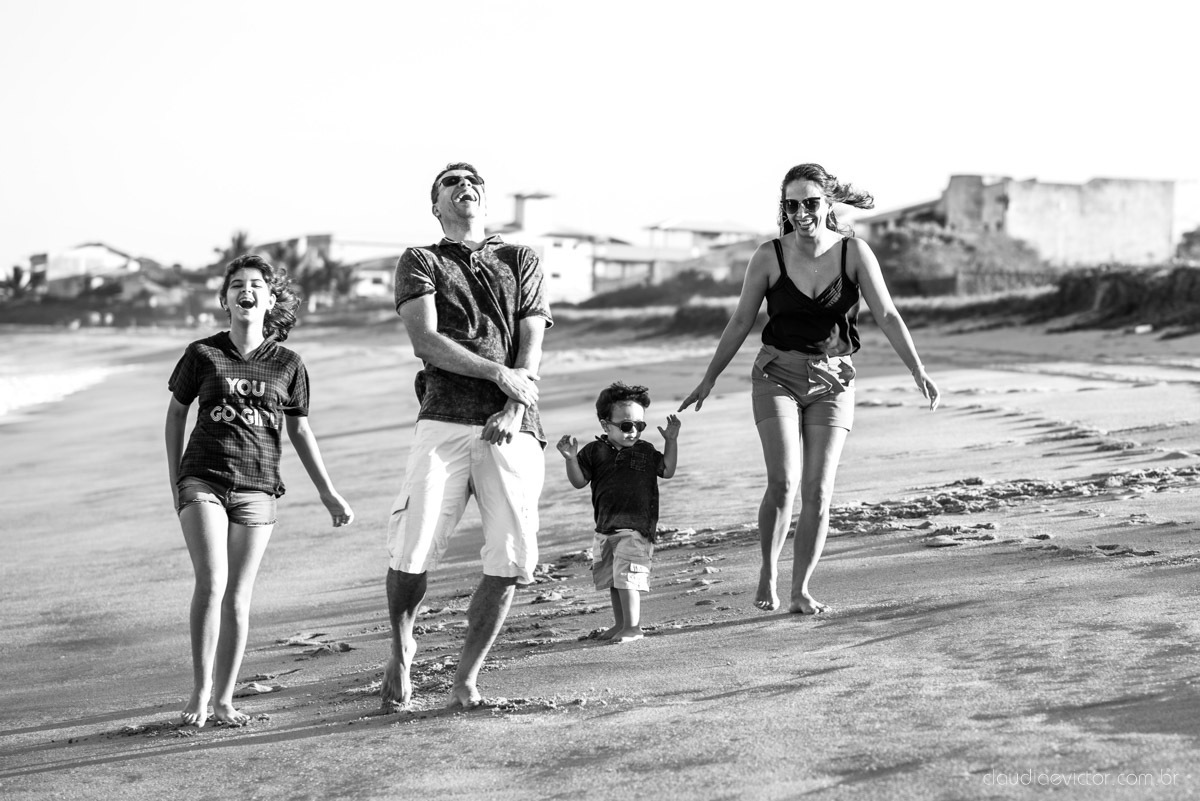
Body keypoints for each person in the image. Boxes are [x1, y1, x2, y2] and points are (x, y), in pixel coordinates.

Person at [678, 163, 939, 615]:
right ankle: (768, 569)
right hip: (776, 375)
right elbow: (741, 320)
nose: (801, 212)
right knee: (783, 481)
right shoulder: (768, 256)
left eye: (811, 203)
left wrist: (917, 369)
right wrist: (709, 377)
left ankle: (800, 590)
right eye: (792, 204)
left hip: (834, 381)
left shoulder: (854, 253)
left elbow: (888, 314)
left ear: (828, 204)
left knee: (818, 491)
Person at [382, 162, 552, 710]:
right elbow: (426, 341)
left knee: (511, 559)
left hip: (514, 425)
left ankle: (465, 679)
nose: (464, 187)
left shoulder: (520, 258)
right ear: (437, 206)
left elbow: (531, 344)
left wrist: (510, 401)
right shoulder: (421, 260)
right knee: (411, 550)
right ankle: (402, 646)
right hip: (443, 419)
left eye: (472, 181)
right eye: (450, 183)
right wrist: (495, 373)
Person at [165, 254, 354, 728]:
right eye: (236, 285)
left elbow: (301, 432)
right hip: (202, 478)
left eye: (255, 286)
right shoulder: (202, 354)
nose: (245, 291)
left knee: (238, 596)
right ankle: (200, 691)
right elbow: (175, 415)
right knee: (211, 583)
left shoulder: (289, 363)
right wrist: (176, 480)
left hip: (257, 489)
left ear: (269, 301)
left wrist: (328, 493)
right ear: (225, 299)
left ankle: (226, 698)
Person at [557, 382, 680, 644]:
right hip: (605, 527)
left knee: (629, 578)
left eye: (639, 425)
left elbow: (667, 470)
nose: (633, 431)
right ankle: (621, 623)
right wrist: (570, 459)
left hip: (637, 527)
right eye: (626, 425)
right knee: (614, 580)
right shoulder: (593, 451)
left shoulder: (645, 451)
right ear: (605, 425)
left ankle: (633, 627)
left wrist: (671, 441)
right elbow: (579, 481)